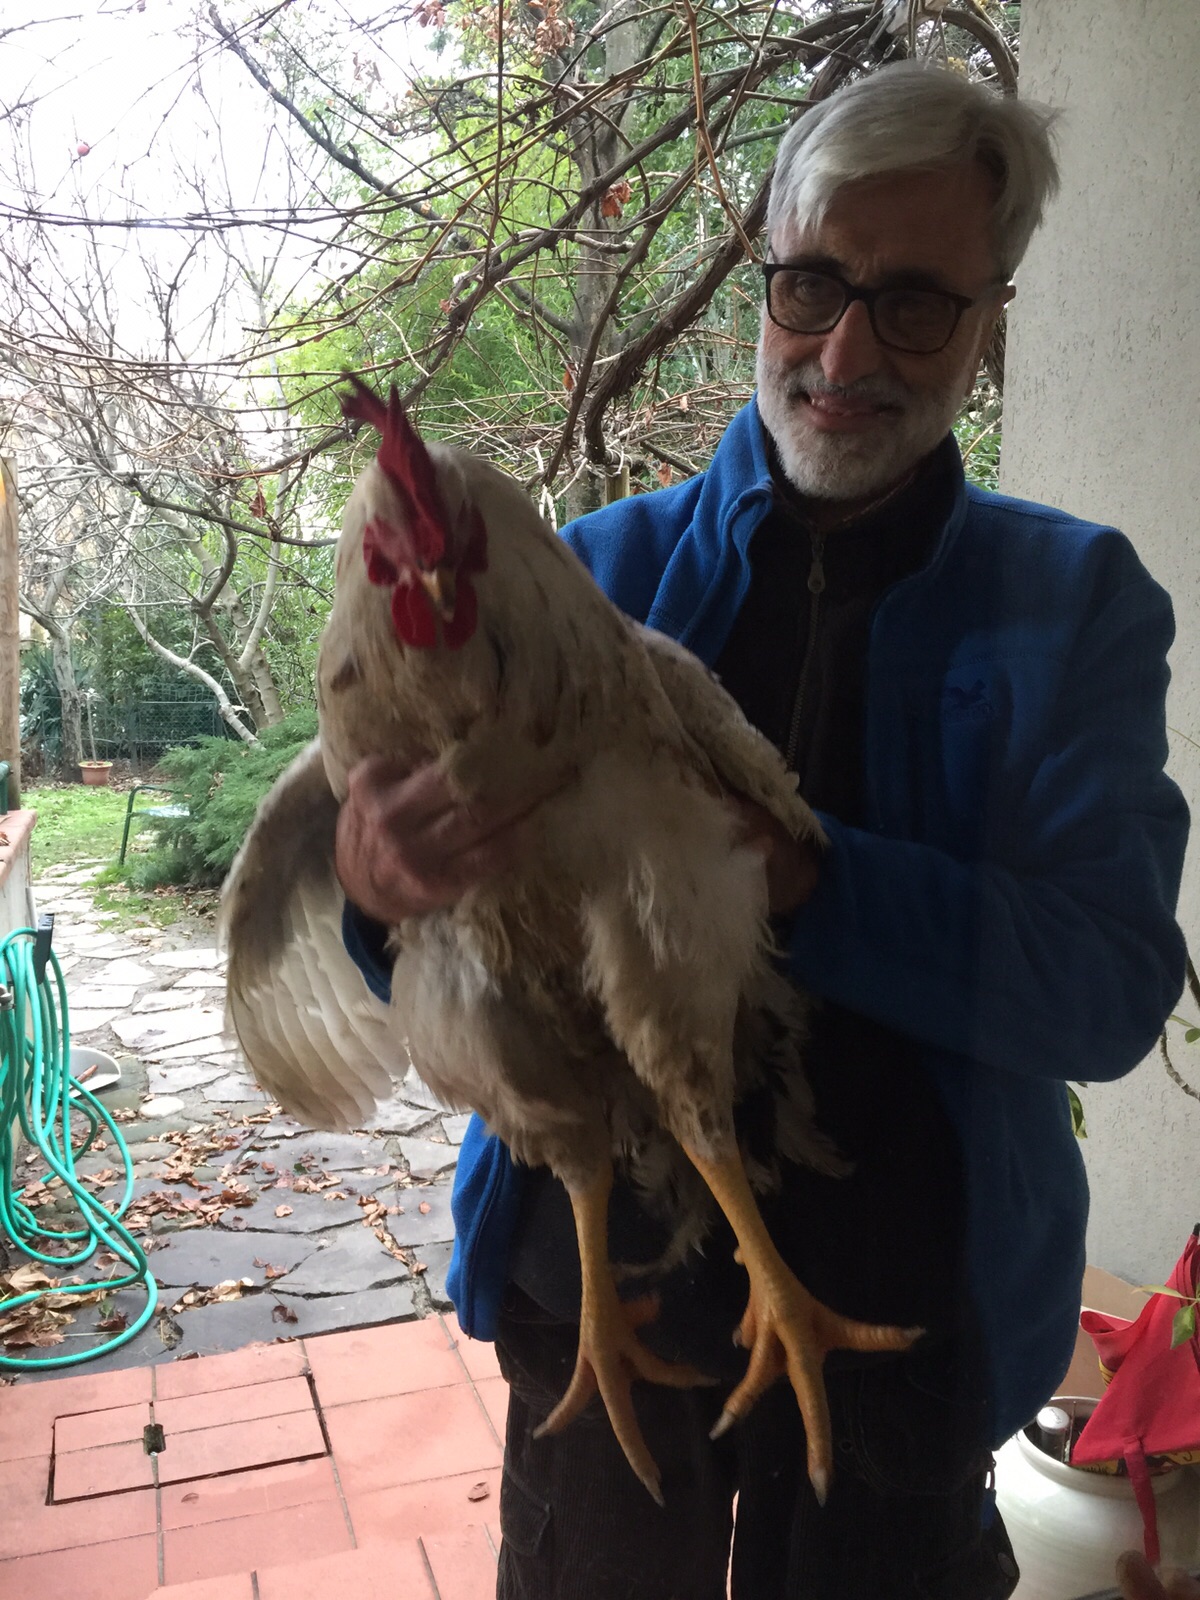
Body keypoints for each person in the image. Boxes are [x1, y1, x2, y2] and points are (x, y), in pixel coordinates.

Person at [336, 62, 1189, 1600]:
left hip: (908, 1325)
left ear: (993, 319)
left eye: (915, 302)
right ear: (762, 274)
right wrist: (375, 885)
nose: (846, 349)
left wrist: (810, 877)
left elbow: (1109, 987)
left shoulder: (1074, 609)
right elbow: (421, 933)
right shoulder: (589, 577)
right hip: (605, 1314)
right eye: (813, 284)